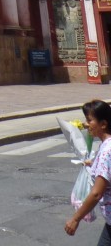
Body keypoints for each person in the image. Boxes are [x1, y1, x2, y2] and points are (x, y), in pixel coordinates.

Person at [65, 99, 111, 239]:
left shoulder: (106, 151)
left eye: (89, 120)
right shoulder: (106, 146)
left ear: (103, 124)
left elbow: (96, 193)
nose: (86, 124)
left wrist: (75, 218)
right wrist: (93, 163)